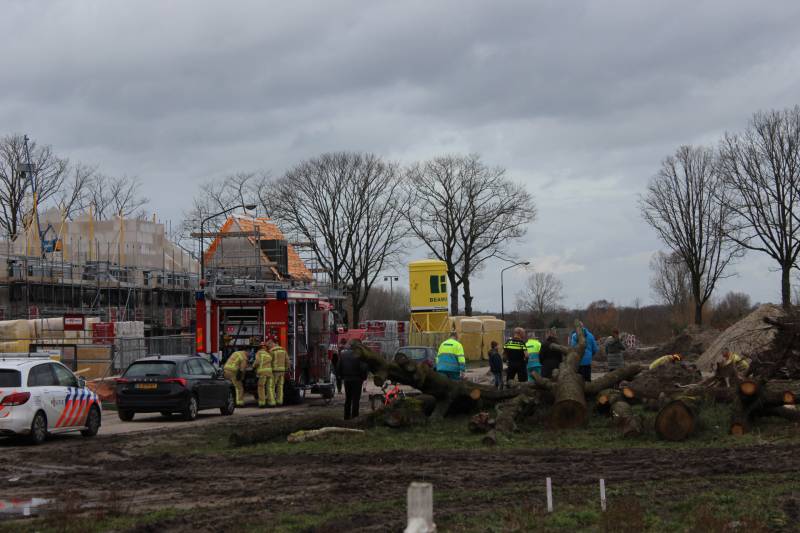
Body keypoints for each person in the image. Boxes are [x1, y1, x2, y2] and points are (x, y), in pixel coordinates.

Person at [336, 341, 369, 419]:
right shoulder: (359, 355)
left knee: (348, 399)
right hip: (357, 379)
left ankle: (346, 417)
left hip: (347, 379)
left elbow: (338, 366)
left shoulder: (343, 355)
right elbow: (363, 368)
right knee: (356, 400)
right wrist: (363, 377)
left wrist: (340, 376)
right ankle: (355, 417)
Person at [253, 341, 274, 408]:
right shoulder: (268, 354)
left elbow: (257, 362)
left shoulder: (259, 353)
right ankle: (271, 403)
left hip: (262, 373)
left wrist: (253, 367)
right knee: (269, 388)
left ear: (260, 347)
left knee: (261, 388)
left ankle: (262, 403)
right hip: (270, 373)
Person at [270, 336, 290, 406]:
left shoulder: (272, 351)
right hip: (282, 371)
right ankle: (279, 401)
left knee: (272, 386)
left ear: (274, 343)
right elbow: (287, 361)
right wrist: (287, 369)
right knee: (280, 386)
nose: (270, 345)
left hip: (275, 371)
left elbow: (269, 361)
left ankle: (272, 402)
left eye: (271, 343)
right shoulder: (283, 350)